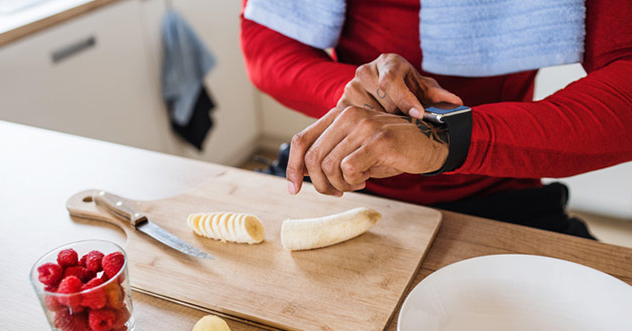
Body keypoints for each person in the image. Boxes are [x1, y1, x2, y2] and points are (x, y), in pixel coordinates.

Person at [239, 0, 632, 238]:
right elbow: (265, 40)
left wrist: (449, 137)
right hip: (335, 169)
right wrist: (368, 95)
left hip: (499, 192)